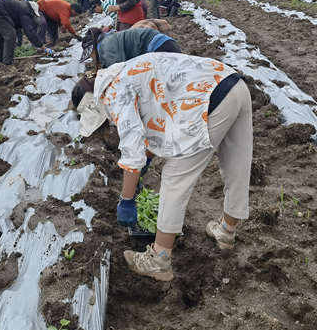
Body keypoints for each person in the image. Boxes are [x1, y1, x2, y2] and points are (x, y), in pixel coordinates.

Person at [72, 53, 252, 281]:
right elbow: (150, 118)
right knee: (236, 163)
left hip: (206, 101)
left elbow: (131, 147)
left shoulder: (112, 92)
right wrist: (146, 159)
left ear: (93, 103)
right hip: (232, 84)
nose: (107, 125)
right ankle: (226, 230)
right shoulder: (122, 72)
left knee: (175, 177)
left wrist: (126, 199)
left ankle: (159, 260)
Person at [0, 0, 51, 65]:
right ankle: (7, 63)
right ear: (32, 10)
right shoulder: (25, 10)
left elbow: (17, 26)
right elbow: (29, 32)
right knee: (10, 34)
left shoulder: (20, 7)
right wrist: (41, 46)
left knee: (0, 35)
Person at [79, 26, 181, 69]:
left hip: (160, 48)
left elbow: (117, 70)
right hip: (165, 43)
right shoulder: (107, 39)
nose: (92, 58)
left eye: (91, 56)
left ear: (93, 49)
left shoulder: (106, 47)